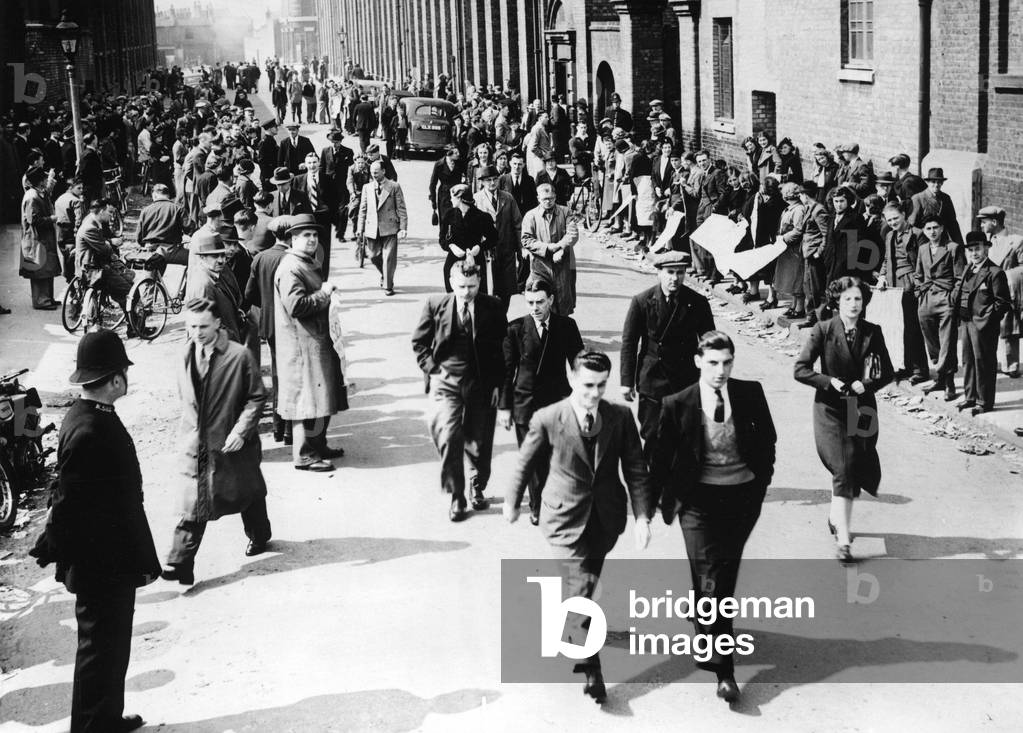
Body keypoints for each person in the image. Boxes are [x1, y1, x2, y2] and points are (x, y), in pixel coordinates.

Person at [29, 329, 160, 733]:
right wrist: (55, 549)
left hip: (109, 560)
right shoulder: (89, 429)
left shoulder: (85, 416)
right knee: (99, 650)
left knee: (112, 648)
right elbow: (67, 502)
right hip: (100, 565)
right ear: (116, 379)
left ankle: (105, 719)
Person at [504, 350, 654, 703]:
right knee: (580, 583)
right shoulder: (548, 417)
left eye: (601, 386)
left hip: (605, 519)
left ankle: (573, 632)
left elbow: (635, 468)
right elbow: (525, 463)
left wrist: (643, 516)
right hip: (563, 517)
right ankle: (592, 668)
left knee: (587, 580)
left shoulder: (619, 417)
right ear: (572, 379)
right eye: (587, 385)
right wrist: (512, 502)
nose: (594, 393)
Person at [651, 331, 776, 704]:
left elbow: (768, 440)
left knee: (721, 572)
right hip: (697, 501)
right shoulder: (677, 403)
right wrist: (652, 506)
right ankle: (724, 670)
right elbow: (659, 459)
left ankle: (704, 618)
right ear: (697, 362)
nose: (720, 371)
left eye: (727, 363)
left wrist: (761, 481)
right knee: (714, 579)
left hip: (741, 497)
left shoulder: (750, 393)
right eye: (712, 363)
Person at [160, 298, 272, 585]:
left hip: (231, 443)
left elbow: (257, 396)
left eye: (203, 326)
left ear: (218, 324)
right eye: (192, 326)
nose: (197, 332)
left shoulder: (239, 356)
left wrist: (240, 430)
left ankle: (260, 534)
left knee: (247, 492)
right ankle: (179, 563)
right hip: (196, 445)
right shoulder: (183, 355)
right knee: (195, 501)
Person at [794, 276, 895, 563]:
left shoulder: (872, 332)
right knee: (845, 466)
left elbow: (887, 372)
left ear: (865, 303)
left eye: (858, 299)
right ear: (837, 302)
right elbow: (800, 370)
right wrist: (828, 381)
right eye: (848, 299)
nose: (853, 304)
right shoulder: (823, 330)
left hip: (861, 408)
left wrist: (869, 384)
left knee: (853, 466)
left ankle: (834, 516)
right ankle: (844, 540)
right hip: (830, 409)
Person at [412, 261, 508, 521]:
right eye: (462, 286)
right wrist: (434, 369)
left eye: (473, 286)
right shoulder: (435, 305)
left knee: (479, 439)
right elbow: (419, 343)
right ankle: (457, 495)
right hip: (446, 382)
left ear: (480, 282)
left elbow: (504, 351)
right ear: (452, 282)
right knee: (449, 435)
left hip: (481, 382)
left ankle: (477, 484)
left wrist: (500, 386)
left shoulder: (494, 306)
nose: (467, 292)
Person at [499, 276, 584, 525]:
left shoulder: (566, 326)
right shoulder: (515, 329)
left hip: (557, 401)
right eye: (529, 302)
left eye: (540, 302)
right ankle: (538, 505)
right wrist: (504, 406)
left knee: (557, 456)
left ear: (551, 300)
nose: (535, 308)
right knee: (535, 459)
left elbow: (578, 365)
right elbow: (506, 372)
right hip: (525, 405)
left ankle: (557, 500)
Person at [620, 250, 715, 465]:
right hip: (652, 382)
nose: (675, 278)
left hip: (686, 381)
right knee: (653, 436)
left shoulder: (697, 303)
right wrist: (626, 382)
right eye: (670, 272)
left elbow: (710, 343)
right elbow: (629, 343)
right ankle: (652, 488)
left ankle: (678, 490)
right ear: (659, 273)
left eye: (680, 273)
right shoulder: (642, 301)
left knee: (685, 439)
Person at [274, 214, 348, 471]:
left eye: (315, 236)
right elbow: (296, 306)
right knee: (307, 400)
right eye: (306, 235)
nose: (312, 240)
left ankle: (318, 445)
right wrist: (324, 294)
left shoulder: (304, 262)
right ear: (293, 239)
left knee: (321, 396)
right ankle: (304, 454)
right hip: (301, 345)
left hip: (314, 340)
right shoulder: (291, 267)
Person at [952, 232, 1011, 415]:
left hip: (983, 325)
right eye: (970, 250)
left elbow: (1002, 303)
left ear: (986, 248)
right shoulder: (968, 269)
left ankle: (984, 402)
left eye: (977, 249)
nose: (974, 253)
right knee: (968, 361)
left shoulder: (995, 272)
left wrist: (987, 320)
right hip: (966, 322)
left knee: (983, 362)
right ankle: (970, 397)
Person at [245, 216, 293, 443]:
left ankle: (278, 427)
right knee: (293, 376)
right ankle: (291, 430)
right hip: (292, 326)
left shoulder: (260, 258)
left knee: (277, 374)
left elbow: (249, 295)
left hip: (270, 325)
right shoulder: (294, 259)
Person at [915, 214, 966, 401]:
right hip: (927, 298)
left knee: (948, 340)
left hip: (946, 298)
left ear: (942, 228)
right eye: (928, 229)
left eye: (935, 227)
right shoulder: (923, 249)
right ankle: (940, 375)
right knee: (930, 338)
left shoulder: (953, 248)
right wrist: (919, 291)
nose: (932, 232)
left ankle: (949, 381)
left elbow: (960, 277)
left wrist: (953, 297)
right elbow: (918, 274)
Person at [877, 203, 929, 382]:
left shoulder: (917, 234)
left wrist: (916, 283)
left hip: (910, 284)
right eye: (889, 220)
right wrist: (882, 276)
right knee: (899, 327)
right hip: (893, 285)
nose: (892, 222)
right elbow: (886, 259)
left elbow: (924, 261)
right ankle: (905, 366)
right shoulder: (890, 234)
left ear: (904, 215)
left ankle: (920, 370)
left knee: (913, 327)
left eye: (895, 218)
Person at [977, 206, 1023, 378]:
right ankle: (993, 361)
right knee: (989, 327)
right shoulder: (986, 242)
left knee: (1008, 327)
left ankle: (1011, 364)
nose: (981, 225)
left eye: (984, 221)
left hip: (1007, 291)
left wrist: (1005, 276)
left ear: (994, 222)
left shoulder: (1016, 241)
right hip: (987, 292)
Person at [521, 182, 579, 315]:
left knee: (563, 301)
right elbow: (526, 239)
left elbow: (573, 233)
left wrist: (561, 249)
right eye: (544, 199)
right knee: (540, 300)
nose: (548, 202)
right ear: (538, 198)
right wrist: (548, 248)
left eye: (551, 198)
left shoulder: (566, 212)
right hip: (540, 265)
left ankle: (562, 331)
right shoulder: (531, 216)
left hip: (563, 264)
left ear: (555, 197)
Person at [474, 165, 522, 310]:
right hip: (486, 253)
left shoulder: (508, 198)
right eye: (488, 180)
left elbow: (518, 224)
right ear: (482, 182)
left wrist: (521, 250)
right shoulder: (476, 200)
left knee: (505, 290)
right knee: (487, 290)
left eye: (495, 179)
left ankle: (502, 321)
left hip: (506, 250)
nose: (492, 183)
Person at [75, 198, 136, 312]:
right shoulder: (90, 227)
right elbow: (104, 248)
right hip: (93, 271)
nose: (112, 216)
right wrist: (111, 245)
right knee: (129, 290)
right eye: (110, 212)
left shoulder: (91, 221)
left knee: (125, 275)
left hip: (94, 266)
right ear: (102, 211)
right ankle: (134, 326)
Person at [358, 160, 408, 295]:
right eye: (372, 172)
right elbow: (363, 209)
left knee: (388, 258)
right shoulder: (366, 188)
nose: (373, 174)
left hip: (390, 227)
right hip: (372, 228)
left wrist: (403, 227)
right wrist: (360, 228)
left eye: (376, 172)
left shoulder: (394, 186)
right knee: (373, 256)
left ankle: (388, 286)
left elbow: (401, 208)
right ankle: (385, 275)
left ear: (383, 171)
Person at [441, 183, 497, 294]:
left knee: (477, 295)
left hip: (475, 260)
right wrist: (451, 246)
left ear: (460, 198)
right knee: (453, 292)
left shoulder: (481, 217)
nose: (450, 200)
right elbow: (442, 238)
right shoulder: (449, 215)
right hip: (454, 259)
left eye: (452, 197)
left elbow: (494, 237)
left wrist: (480, 247)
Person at [20, 166, 61, 309]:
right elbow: (34, 220)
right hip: (36, 238)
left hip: (42, 238)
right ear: (40, 181)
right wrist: (51, 219)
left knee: (46, 268)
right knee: (39, 270)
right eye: (44, 178)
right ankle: (41, 301)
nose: (46, 180)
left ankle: (48, 298)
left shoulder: (37, 193)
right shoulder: (32, 197)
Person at [795, 181, 833, 329]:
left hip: (814, 255)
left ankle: (823, 321)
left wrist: (819, 252)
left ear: (805, 195)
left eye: (801, 194)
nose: (800, 197)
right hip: (808, 254)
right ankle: (811, 317)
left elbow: (826, 234)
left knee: (817, 289)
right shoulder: (810, 208)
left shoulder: (819, 210)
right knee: (808, 288)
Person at [136, 184, 191, 266]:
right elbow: (190, 229)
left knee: (151, 270)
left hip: (150, 251)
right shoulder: (178, 209)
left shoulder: (145, 211)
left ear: (154, 195)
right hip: (171, 251)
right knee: (195, 258)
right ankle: (188, 279)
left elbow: (139, 237)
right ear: (168, 195)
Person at [909, 167, 963, 244]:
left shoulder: (946, 198)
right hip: (923, 242)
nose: (936, 185)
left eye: (939, 182)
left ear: (942, 183)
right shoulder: (918, 198)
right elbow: (912, 225)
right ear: (928, 182)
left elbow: (953, 224)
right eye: (933, 182)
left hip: (942, 243)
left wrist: (960, 245)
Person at [429, 145, 466, 247]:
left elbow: (466, 176)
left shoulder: (460, 163)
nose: (458, 155)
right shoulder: (439, 164)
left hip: (457, 193)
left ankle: (455, 239)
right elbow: (433, 183)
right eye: (456, 153)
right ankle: (444, 239)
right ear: (448, 154)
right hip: (444, 195)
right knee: (444, 217)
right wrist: (433, 200)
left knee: (457, 216)